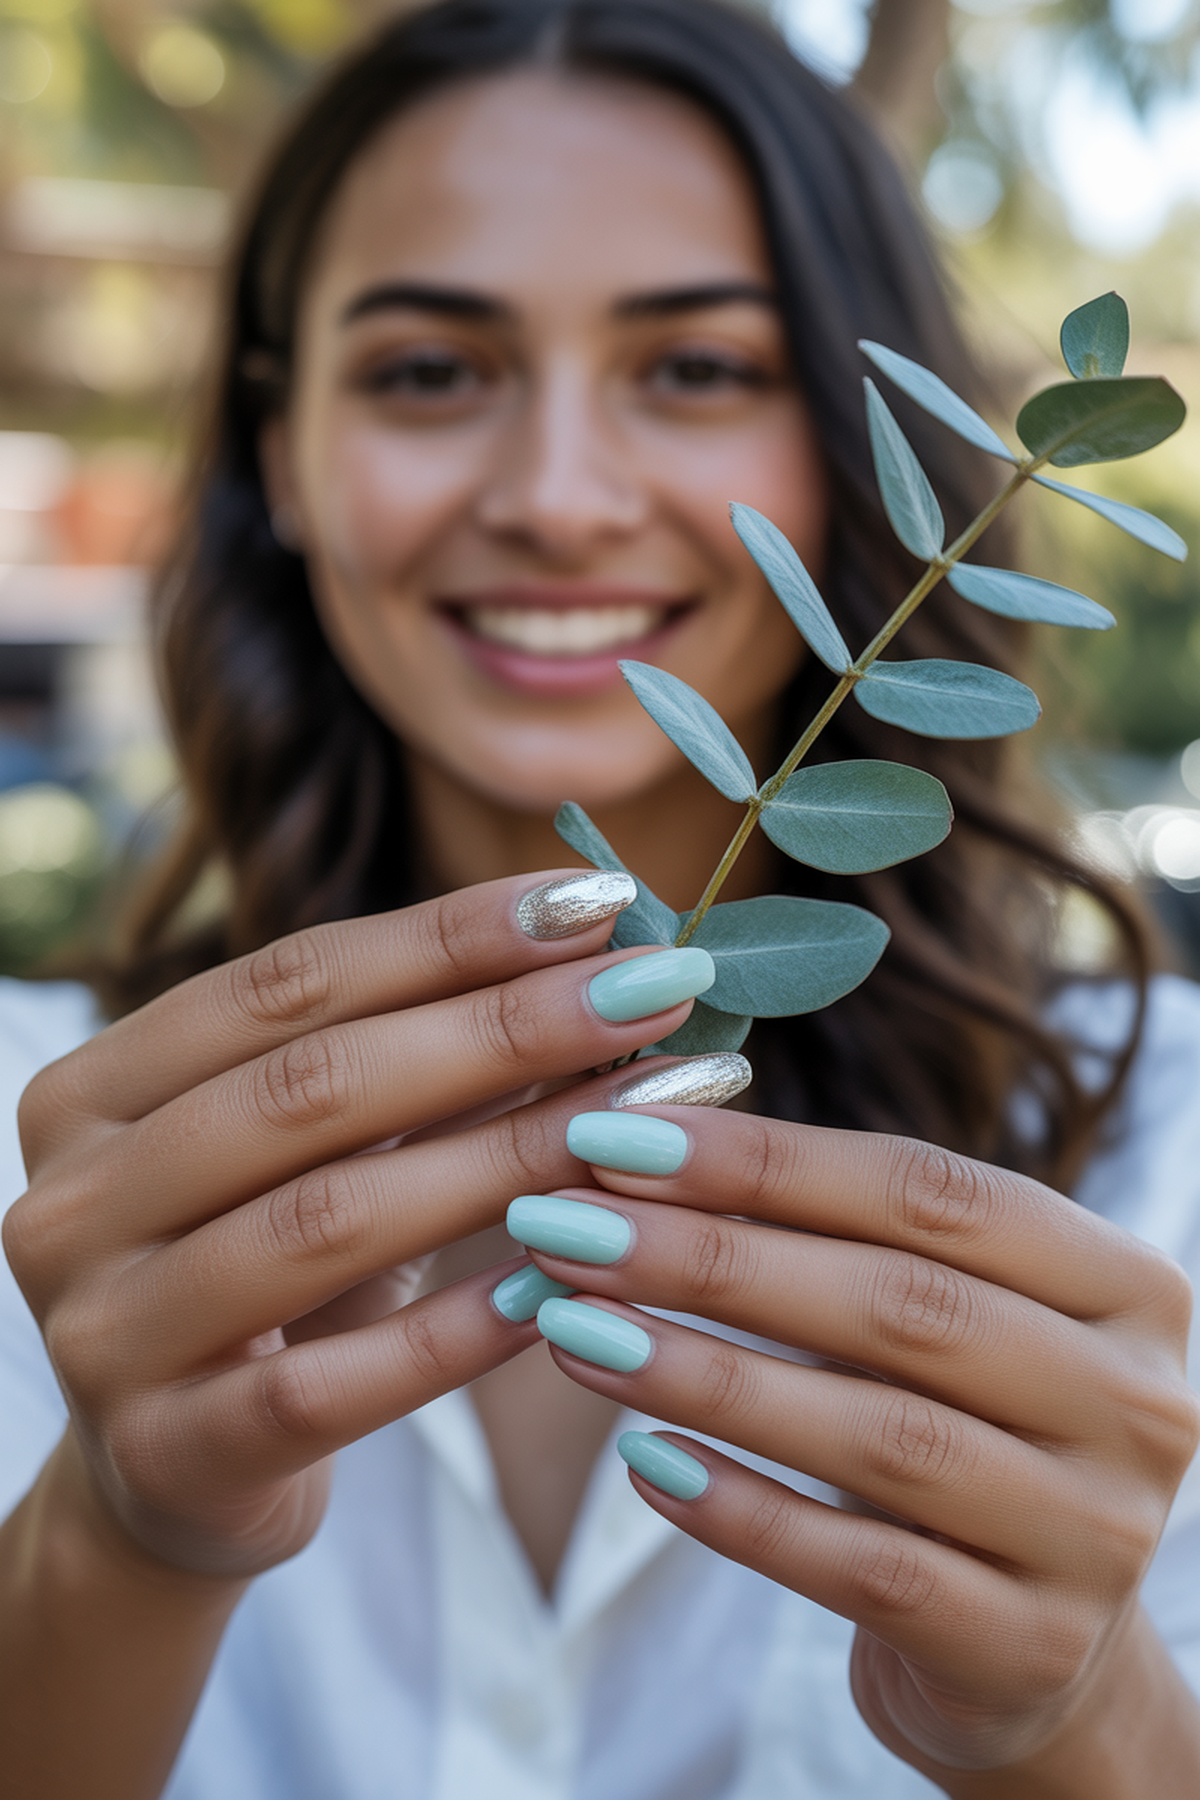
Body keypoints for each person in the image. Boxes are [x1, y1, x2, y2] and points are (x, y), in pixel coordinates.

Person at [2, 1, 1199, 1794]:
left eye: (698, 368)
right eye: (428, 371)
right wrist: (123, 1540)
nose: (558, 499)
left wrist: (1069, 1717)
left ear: (876, 442)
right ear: (278, 445)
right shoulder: (46, 1150)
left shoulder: (1165, 1152)